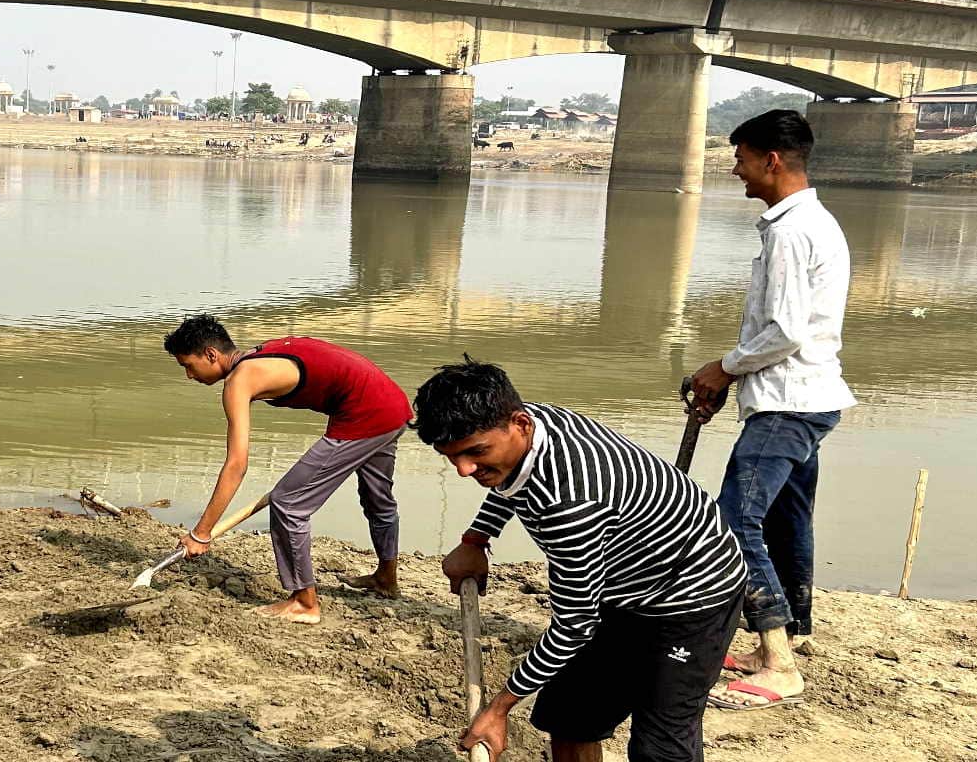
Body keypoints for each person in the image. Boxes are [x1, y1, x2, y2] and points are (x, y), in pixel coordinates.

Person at [420, 358, 746, 762]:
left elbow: (574, 625)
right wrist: (477, 538)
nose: (464, 470)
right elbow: (510, 478)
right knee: (571, 718)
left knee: (661, 745)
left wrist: (499, 709)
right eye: (451, 457)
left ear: (520, 424)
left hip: (693, 593)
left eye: (475, 452)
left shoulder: (568, 505)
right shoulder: (528, 420)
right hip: (621, 578)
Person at [685, 109, 854, 710]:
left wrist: (723, 368)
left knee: (734, 522)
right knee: (786, 519)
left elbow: (783, 331)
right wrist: (730, 372)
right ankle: (785, 636)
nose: (736, 170)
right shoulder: (812, 222)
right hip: (807, 396)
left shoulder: (791, 231)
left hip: (788, 401)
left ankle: (780, 664)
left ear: (771, 160)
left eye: (741, 159)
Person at [162, 315, 411, 623]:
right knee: (377, 499)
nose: (189, 375)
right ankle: (386, 578)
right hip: (392, 405)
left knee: (288, 503)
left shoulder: (240, 379)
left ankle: (304, 602)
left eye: (188, 365)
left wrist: (201, 533)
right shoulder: (262, 354)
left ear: (211, 354)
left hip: (364, 414)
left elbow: (237, 464)